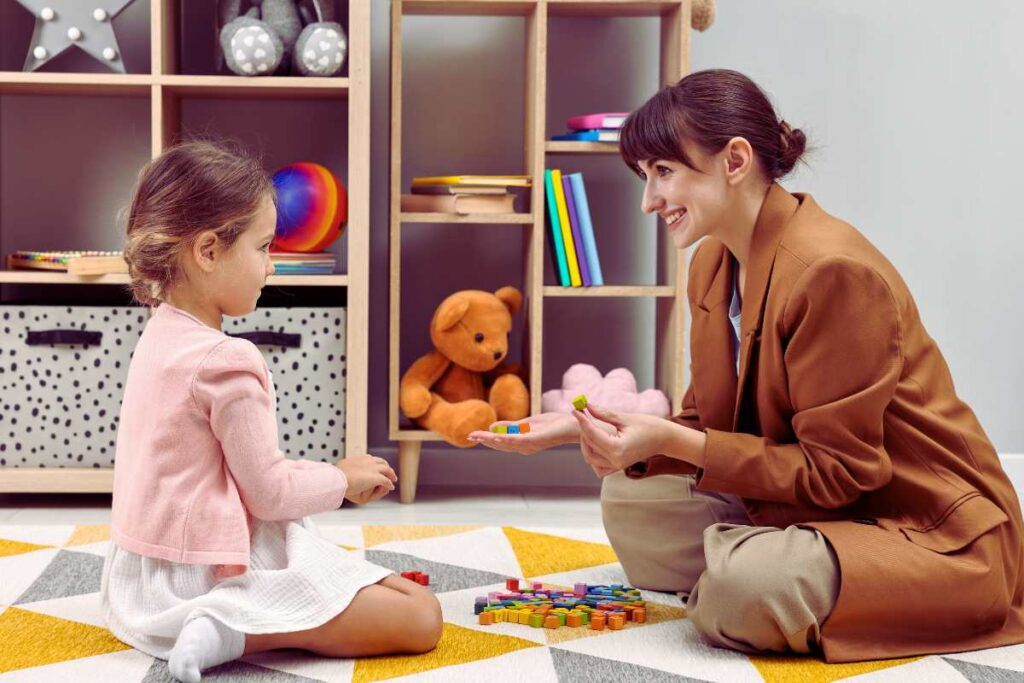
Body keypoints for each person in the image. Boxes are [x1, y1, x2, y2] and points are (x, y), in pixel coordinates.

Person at [471, 69, 1024, 662]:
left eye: (664, 173)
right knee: (631, 500)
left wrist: (677, 447)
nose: (648, 201)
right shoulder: (712, 263)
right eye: (644, 176)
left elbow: (839, 476)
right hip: (817, 507)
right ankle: (774, 563)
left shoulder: (832, 272)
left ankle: (767, 573)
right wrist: (587, 426)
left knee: (741, 592)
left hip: (924, 529)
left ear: (735, 160)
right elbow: (705, 420)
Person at [102, 141, 442, 683]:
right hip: (207, 574)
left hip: (141, 580)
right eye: (263, 247)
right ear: (208, 251)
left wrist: (328, 475)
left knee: (388, 586)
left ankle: (224, 619)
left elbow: (244, 477)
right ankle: (232, 627)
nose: (272, 264)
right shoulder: (228, 360)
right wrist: (340, 479)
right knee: (421, 616)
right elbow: (270, 494)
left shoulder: (160, 333)